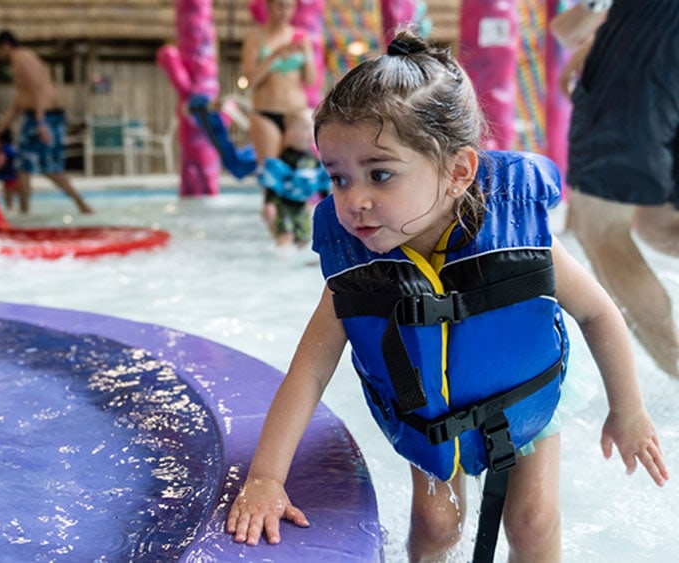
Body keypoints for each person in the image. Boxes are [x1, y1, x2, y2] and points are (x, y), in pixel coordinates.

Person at [225, 30, 669, 561]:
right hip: (430, 408)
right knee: (436, 525)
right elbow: (308, 373)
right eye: (338, 178)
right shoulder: (357, 271)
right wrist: (266, 478)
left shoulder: (519, 240)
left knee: (533, 519)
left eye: (380, 174)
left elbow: (598, 312)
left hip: (520, 398)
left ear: (458, 171)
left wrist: (629, 410)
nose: (355, 201)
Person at [554, 0, 679, 380]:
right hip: (653, 45)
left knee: (600, 227)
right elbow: (570, 28)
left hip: (644, 50)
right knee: (657, 222)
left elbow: (573, 27)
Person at [0, 30, 93, 215]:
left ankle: (82, 205)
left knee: (49, 167)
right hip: (36, 117)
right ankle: (24, 211)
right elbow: (17, 104)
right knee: (23, 165)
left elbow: (39, 86)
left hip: (47, 117)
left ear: (5, 46)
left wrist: (41, 120)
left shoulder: (23, 58)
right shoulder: (18, 63)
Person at [240, 0, 317, 235]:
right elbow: (250, 81)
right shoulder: (256, 37)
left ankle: (299, 233)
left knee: (299, 172)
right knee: (273, 175)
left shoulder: (300, 37)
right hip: (266, 113)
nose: (285, 12)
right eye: (280, 6)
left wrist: (307, 55)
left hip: (295, 113)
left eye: (290, 7)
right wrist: (274, 56)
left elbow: (312, 81)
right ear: (269, 6)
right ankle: (278, 234)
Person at [256, 108, 329, 247]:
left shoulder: (313, 160)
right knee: (285, 236)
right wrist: (269, 203)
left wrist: (328, 205)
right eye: (305, 128)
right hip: (283, 205)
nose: (310, 133)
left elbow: (321, 184)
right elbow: (274, 183)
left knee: (304, 239)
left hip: (302, 207)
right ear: (289, 132)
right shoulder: (284, 159)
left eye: (312, 128)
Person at [0, 128, 21, 210]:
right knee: (15, 194)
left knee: (8, 196)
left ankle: (9, 208)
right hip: (15, 175)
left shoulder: (3, 150)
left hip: (9, 177)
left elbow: (1, 162)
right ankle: (13, 207)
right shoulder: (12, 147)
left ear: (0, 140)